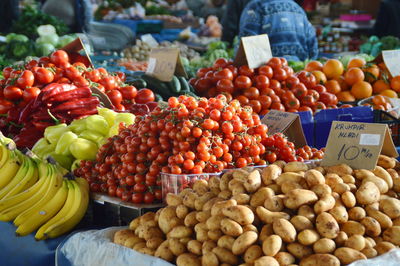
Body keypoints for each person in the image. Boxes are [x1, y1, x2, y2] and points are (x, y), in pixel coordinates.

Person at [238, 0, 318, 61]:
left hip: (270, 77)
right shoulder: (298, 9)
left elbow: (247, 47)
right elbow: (313, 50)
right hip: (300, 77)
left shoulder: (256, 7)